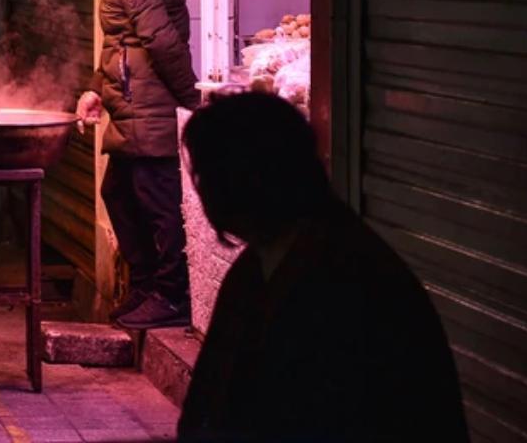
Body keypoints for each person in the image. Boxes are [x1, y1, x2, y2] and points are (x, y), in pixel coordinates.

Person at [177, 93, 469, 443]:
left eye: (207, 174)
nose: (202, 189)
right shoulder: (259, 266)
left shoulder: (344, 279)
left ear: (249, 177)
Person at [73, 0, 199, 329]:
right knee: (120, 195)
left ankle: (170, 296)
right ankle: (147, 286)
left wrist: (191, 97)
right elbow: (120, 45)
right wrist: (95, 90)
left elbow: (161, 41)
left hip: (148, 107)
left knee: (156, 201)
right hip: (131, 103)